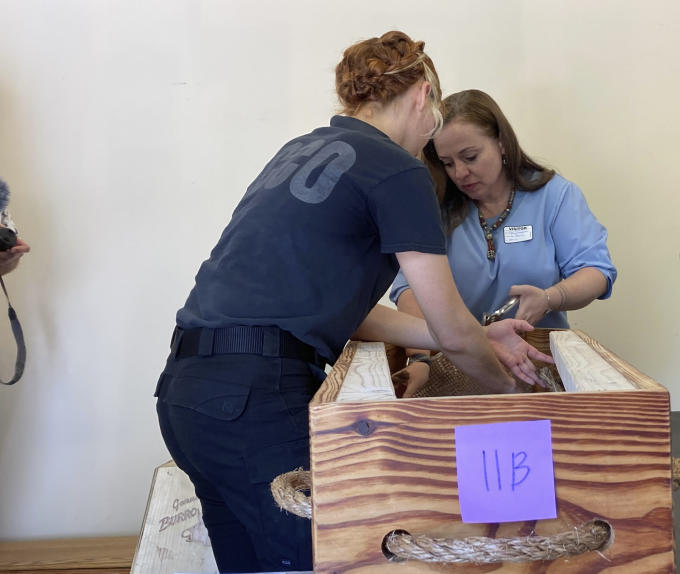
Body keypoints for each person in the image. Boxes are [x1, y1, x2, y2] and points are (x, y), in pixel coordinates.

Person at [154, 33, 550, 573]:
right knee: (323, 560)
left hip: (187, 397)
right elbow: (453, 327)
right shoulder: (397, 168)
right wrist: (510, 397)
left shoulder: (297, 150)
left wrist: (476, 336)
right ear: (424, 95)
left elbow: (350, 314)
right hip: (256, 398)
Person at [389, 90, 616, 395]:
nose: (460, 173)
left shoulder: (555, 196)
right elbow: (407, 290)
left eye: (470, 157)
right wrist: (420, 356)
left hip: (536, 369)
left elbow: (596, 272)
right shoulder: (435, 207)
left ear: (501, 142)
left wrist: (551, 297)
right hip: (458, 371)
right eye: (447, 163)